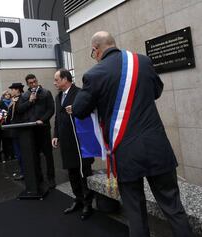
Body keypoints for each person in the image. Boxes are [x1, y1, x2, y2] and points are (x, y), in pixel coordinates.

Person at [70, 31, 193, 237]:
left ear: (96, 50)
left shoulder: (94, 74)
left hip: (125, 151)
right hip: (156, 146)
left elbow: (80, 110)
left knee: (135, 212)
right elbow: (157, 91)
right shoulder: (142, 62)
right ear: (113, 44)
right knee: (173, 207)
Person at [51, 69, 94, 220]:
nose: (55, 83)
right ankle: (78, 199)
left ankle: (88, 203)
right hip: (66, 141)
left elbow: (89, 111)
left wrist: (75, 110)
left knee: (83, 172)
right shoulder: (58, 97)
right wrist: (55, 135)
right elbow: (57, 117)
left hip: (80, 140)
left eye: (57, 80)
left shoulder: (80, 93)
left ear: (65, 79)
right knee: (72, 172)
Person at [16, 74, 56, 189]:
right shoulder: (24, 95)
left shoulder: (46, 92)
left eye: (35, 81)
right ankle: (39, 177)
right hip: (31, 130)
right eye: (31, 83)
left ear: (37, 81)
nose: (33, 84)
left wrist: (42, 120)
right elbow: (20, 109)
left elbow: (51, 109)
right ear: (27, 84)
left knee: (48, 155)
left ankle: (51, 177)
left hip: (43, 128)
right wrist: (29, 101)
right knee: (35, 155)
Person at [7, 83, 26, 180]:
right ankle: (23, 170)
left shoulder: (21, 99)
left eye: (12, 89)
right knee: (18, 154)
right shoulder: (13, 100)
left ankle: (25, 172)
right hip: (14, 130)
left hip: (19, 130)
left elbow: (20, 113)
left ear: (17, 90)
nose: (11, 91)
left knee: (21, 154)